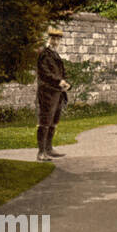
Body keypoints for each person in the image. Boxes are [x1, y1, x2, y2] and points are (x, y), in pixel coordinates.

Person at [35, 26, 71, 161]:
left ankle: (49, 149)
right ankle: (41, 152)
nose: (55, 41)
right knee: (45, 121)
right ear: (48, 39)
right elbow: (44, 73)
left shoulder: (54, 54)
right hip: (47, 93)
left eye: (57, 39)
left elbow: (60, 73)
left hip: (57, 93)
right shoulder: (44, 53)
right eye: (53, 38)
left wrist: (65, 83)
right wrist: (58, 81)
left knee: (54, 121)